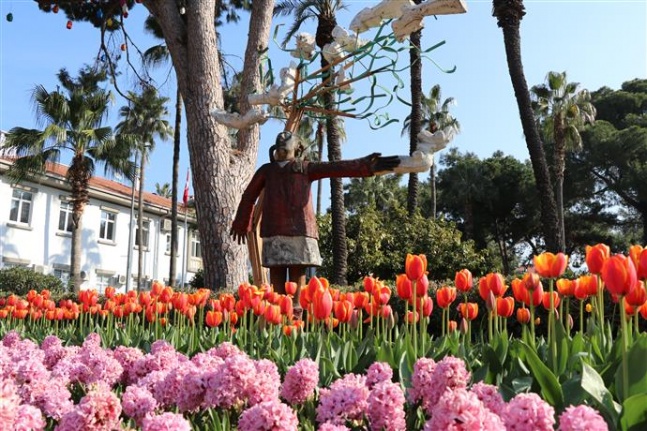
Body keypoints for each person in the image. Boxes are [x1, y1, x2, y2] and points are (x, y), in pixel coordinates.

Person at [230, 130, 400, 304]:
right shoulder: (267, 171)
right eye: (280, 136)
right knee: (276, 282)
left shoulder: (305, 168)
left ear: (298, 148)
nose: (282, 136)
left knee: (297, 279)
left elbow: (337, 168)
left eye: (288, 137)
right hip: (274, 232)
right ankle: (279, 314)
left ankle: (295, 313)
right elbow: (249, 195)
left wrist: (367, 166)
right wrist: (242, 222)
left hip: (301, 232)